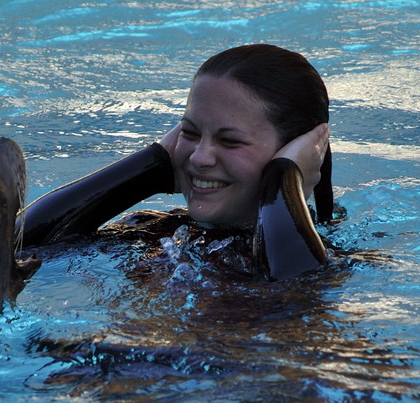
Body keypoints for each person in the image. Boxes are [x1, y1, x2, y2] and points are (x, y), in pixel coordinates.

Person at [20, 44, 332, 279]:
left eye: (230, 141)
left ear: (297, 152)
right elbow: (19, 249)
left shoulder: (327, 258)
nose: (199, 157)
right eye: (190, 133)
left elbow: (293, 295)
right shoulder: (150, 230)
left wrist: (280, 183)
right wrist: (152, 167)